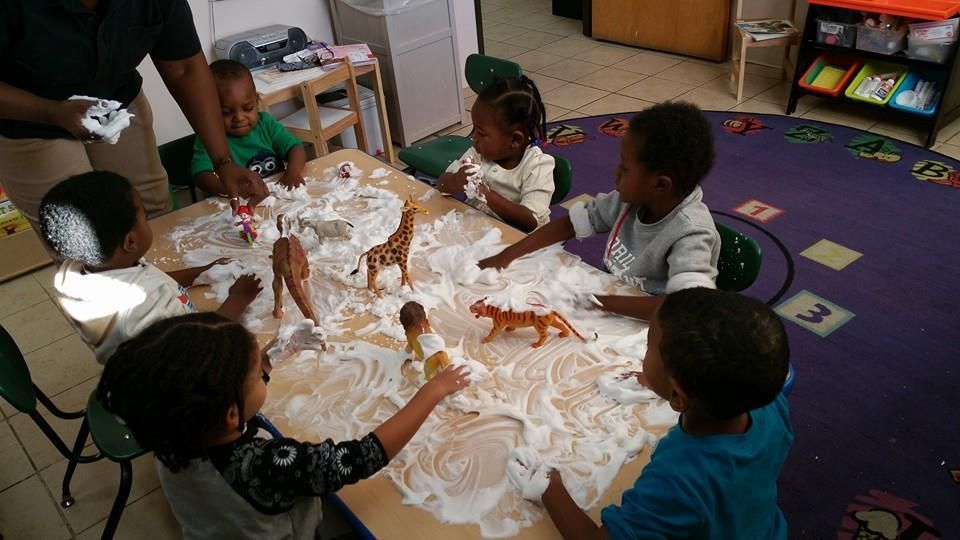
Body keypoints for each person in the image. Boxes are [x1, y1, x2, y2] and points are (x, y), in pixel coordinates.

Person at [96, 312, 470, 539]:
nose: (263, 371)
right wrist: (432, 391)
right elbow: (361, 457)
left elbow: (228, 405)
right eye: (256, 374)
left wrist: (272, 360)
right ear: (230, 413)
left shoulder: (171, 430)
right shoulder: (266, 465)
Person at [0, 0, 267, 248]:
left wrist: (223, 161)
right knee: (86, 243)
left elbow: (184, 66)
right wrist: (51, 112)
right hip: (28, 119)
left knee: (153, 220)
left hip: (117, 101)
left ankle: (167, 297)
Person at [533, 288, 793, 539]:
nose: (645, 353)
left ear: (679, 397)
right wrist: (661, 383)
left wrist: (550, 487)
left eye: (648, 346)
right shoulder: (767, 404)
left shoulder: (679, 479)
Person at [479, 102, 719, 321]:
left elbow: (684, 307)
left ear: (660, 184)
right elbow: (569, 225)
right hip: (613, 303)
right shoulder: (629, 201)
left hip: (654, 331)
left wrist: (595, 302)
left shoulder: (691, 233)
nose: (616, 173)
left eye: (625, 168)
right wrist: (508, 255)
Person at [38, 171, 261, 363]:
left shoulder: (80, 267)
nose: (147, 220)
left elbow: (145, 277)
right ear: (130, 242)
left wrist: (199, 272)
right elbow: (199, 347)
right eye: (144, 216)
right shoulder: (146, 308)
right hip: (174, 378)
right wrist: (238, 299)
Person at [436, 76, 554, 233]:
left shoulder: (537, 166)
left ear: (515, 140)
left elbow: (530, 222)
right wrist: (457, 178)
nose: (474, 138)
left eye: (482, 133)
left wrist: (486, 194)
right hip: (479, 231)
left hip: (520, 243)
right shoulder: (478, 154)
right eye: (474, 130)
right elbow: (442, 186)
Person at [191, 60, 307, 195]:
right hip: (234, 207)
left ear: (256, 101)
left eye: (247, 108)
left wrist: (292, 172)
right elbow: (202, 176)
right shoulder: (210, 137)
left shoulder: (265, 124)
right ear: (210, 111)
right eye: (226, 112)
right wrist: (231, 190)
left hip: (275, 196)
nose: (239, 118)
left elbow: (295, 148)